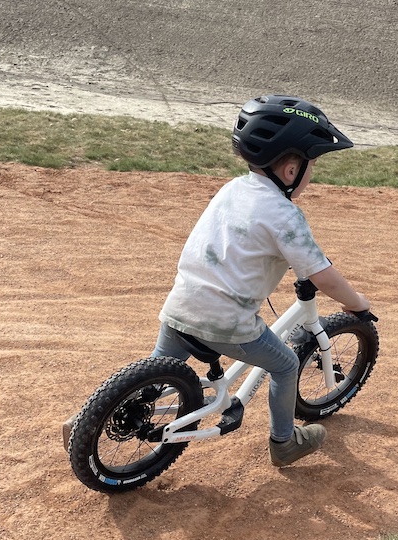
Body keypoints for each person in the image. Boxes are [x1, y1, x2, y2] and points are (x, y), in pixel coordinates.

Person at [64, 95, 371, 467]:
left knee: (156, 372)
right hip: (227, 324)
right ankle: (285, 442)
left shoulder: (232, 189)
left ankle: (88, 421)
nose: (311, 174)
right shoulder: (285, 216)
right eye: (312, 166)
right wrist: (357, 303)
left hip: (181, 304)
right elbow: (323, 276)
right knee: (287, 365)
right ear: (291, 170)